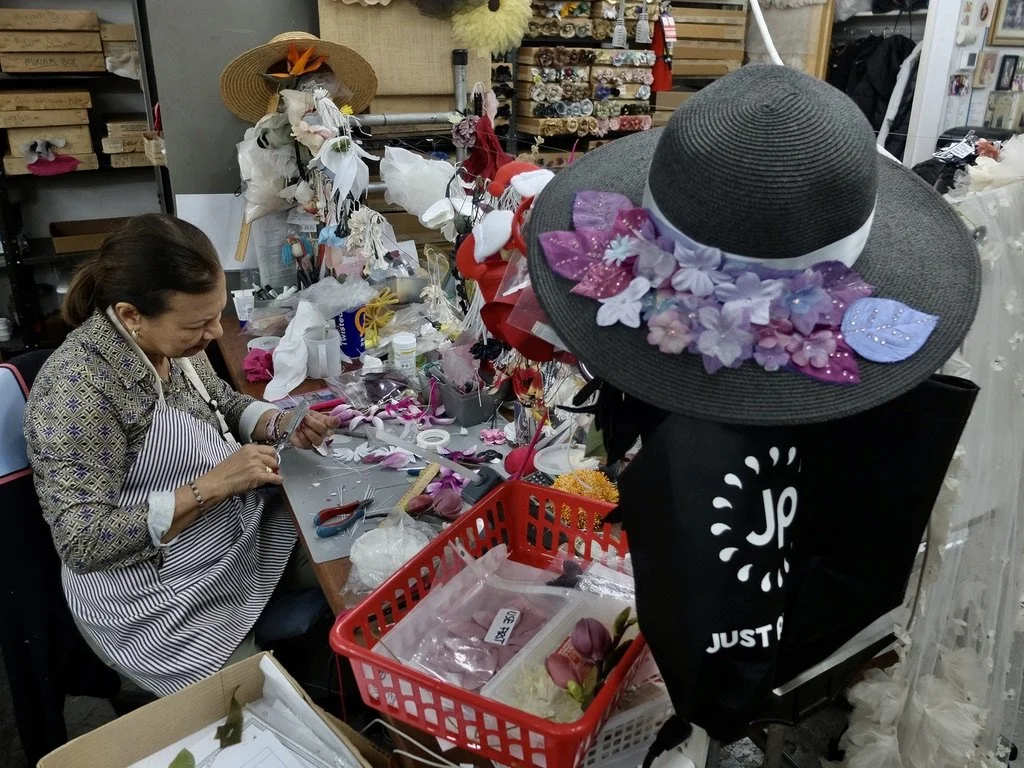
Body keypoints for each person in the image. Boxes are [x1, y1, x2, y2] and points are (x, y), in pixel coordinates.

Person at [25, 214, 337, 697]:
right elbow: (82, 542)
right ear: (131, 315)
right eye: (200, 322)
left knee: (353, 555)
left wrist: (278, 421)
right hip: (155, 604)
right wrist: (212, 486)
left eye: (216, 315)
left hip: (228, 543)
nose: (215, 332)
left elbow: (221, 402)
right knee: (257, 719)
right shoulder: (76, 392)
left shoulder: (172, 342)